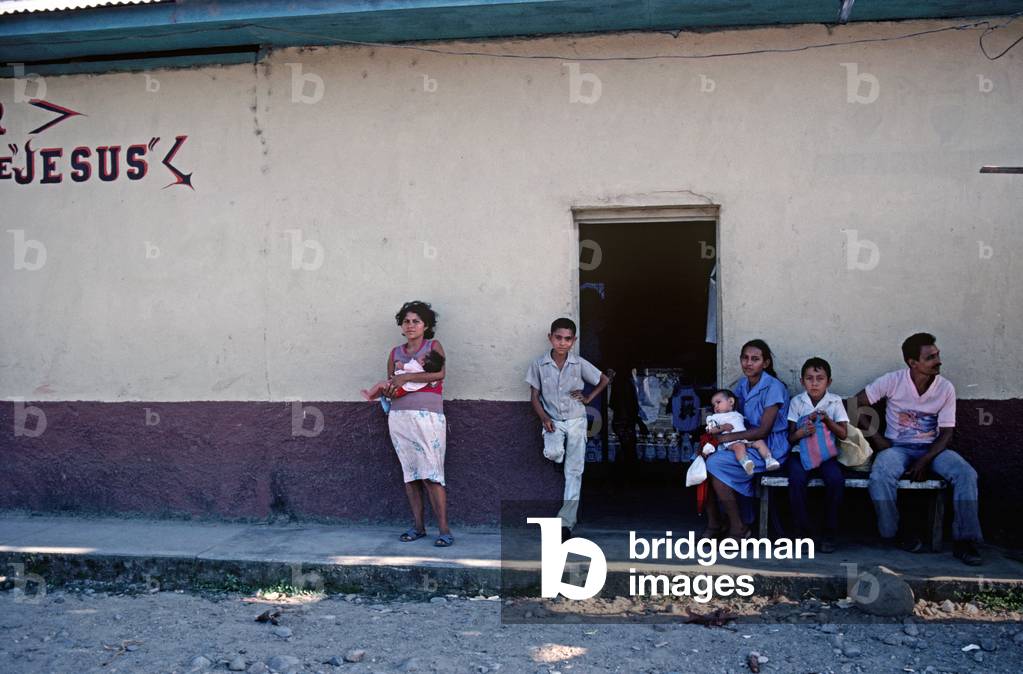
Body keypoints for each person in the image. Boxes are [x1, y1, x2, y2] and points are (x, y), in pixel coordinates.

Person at [854, 333, 982, 565]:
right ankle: (894, 533)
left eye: (937, 354)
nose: (938, 360)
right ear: (913, 363)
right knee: (881, 473)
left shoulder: (945, 388)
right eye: (930, 357)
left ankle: (966, 541)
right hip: (897, 448)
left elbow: (946, 433)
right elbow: (855, 404)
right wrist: (878, 440)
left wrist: (925, 459)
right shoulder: (893, 380)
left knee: (966, 473)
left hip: (934, 450)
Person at [526, 317, 610, 541]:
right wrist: (543, 417)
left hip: (576, 419)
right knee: (554, 453)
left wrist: (588, 397)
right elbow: (534, 396)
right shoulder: (539, 364)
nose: (562, 343)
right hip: (553, 420)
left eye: (567, 339)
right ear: (550, 338)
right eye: (558, 338)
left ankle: (566, 522)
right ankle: (559, 454)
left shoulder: (578, 363)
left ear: (574, 340)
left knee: (574, 472)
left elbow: (603, 379)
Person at [702, 339, 790, 539]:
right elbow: (732, 416)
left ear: (765, 363)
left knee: (714, 463)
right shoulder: (742, 386)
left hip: (769, 448)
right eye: (745, 358)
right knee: (699, 460)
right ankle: (717, 522)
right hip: (745, 442)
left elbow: (763, 431)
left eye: (755, 359)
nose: (749, 363)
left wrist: (728, 438)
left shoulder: (774, 387)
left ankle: (737, 527)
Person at [385, 301, 453, 547]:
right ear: (401, 326)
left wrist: (409, 376)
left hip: (428, 417)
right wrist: (392, 389)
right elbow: (391, 382)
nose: (410, 325)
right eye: (406, 321)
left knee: (432, 475)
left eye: (416, 321)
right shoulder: (395, 353)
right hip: (399, 417)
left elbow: (439, 374)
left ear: (426, 325)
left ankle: (444, 530)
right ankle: (418, 527)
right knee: (411, 474)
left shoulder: (433, 346)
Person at [787, 357, 849, 553]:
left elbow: (843, 433)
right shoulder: (797, 402)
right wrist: (802, 432)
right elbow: (790, 437)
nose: (814, 383)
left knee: (836, 480)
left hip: (826, 454)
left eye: (819, 378)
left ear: (828, 382)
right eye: (809, 378)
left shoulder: (834, 401)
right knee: (796, 479)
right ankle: (803, 533)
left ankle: (829, 533)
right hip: (800, 453)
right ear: (802, 381)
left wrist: (828, 421)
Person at [705, 389, 781, 475]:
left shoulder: (738, 414)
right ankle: (745, 463)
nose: (715, 407)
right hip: (731, 442)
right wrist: (722, 427)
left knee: (760, 442)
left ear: (731, 401)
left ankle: (769, 460)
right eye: (713, 405)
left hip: (744, 438)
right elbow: (710, 430)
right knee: (739, 446)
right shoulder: (715, 417)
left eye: (718, 402)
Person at [361, 351, 445, 411]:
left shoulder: (416, 366)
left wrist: (398, 363)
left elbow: (402, 366)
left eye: (424, 354)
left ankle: (369, 395)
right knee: (383, 389)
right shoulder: (426, 375)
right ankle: (381, 400)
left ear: (422, 362)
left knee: (381, 384)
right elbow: (434, 382)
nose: (422, 353)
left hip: (400, 388)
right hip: (403, 391)